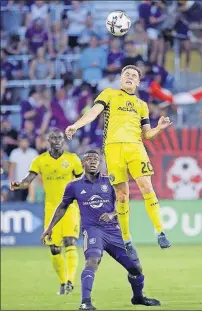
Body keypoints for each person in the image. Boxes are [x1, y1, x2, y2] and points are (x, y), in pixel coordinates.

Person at [65, 65, 172, 261]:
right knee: (122, 196)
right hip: (113, 150)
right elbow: (93, 113)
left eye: (134, 76)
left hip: (135, 148)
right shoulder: (109, 94)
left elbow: (147, 134)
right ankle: (126, 239)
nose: (130, 77)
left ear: (138, 82)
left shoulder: (141, 105)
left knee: (147, 186)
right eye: (127, 74)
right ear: (121, 78)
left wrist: (159, 128)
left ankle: (160, 232)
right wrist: (76, 125)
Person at [41, 150, 161, 310]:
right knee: (92, 262)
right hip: (92, 231)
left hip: (114, 231)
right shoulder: (74, 186)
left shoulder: (110, 182)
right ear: (83, 163)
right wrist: (49, 228)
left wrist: (112, 214)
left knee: (136, 268)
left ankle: (138, 297)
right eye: (89, 159)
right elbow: (62, 206)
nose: (93, 161)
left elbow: (123, 202)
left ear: (100, 163)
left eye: (96, 159)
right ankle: (85, 302)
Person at [10, 128, 83, 295]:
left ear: (63, 140)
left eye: (59, 138)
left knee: (70, 242)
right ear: (47, 141)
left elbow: (82, 181)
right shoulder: (40, 160)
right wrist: (18, 184)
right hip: (51, 209)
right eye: (53, 138)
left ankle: (71, 281)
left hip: (70, 207)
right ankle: (63, 283)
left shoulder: (73, 159)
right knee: (55, 248)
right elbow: (28, 181)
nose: (57, 140)